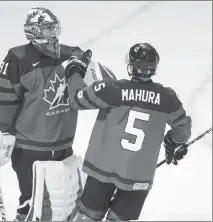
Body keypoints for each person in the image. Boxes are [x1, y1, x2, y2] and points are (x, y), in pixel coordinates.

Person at [0, 7, 116, 221]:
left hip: (63, 146)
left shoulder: (71, 54)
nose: (52, 34)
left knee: (66, 207)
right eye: (46, 29)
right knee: (34, 206)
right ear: (32, 31)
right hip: (30, 149)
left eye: (53, 28)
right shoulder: (18, 59)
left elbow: (106, 85)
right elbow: (3, 102)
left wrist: (95, 72)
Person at [64, 44, 192, 221]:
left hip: (103, 169)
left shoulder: (111, 89)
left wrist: (74, 72)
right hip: (139, 177)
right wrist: (174, 142)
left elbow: (77, 99)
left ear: (131, 65)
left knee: (88, 217)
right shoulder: (167, 98)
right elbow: (182, 129)